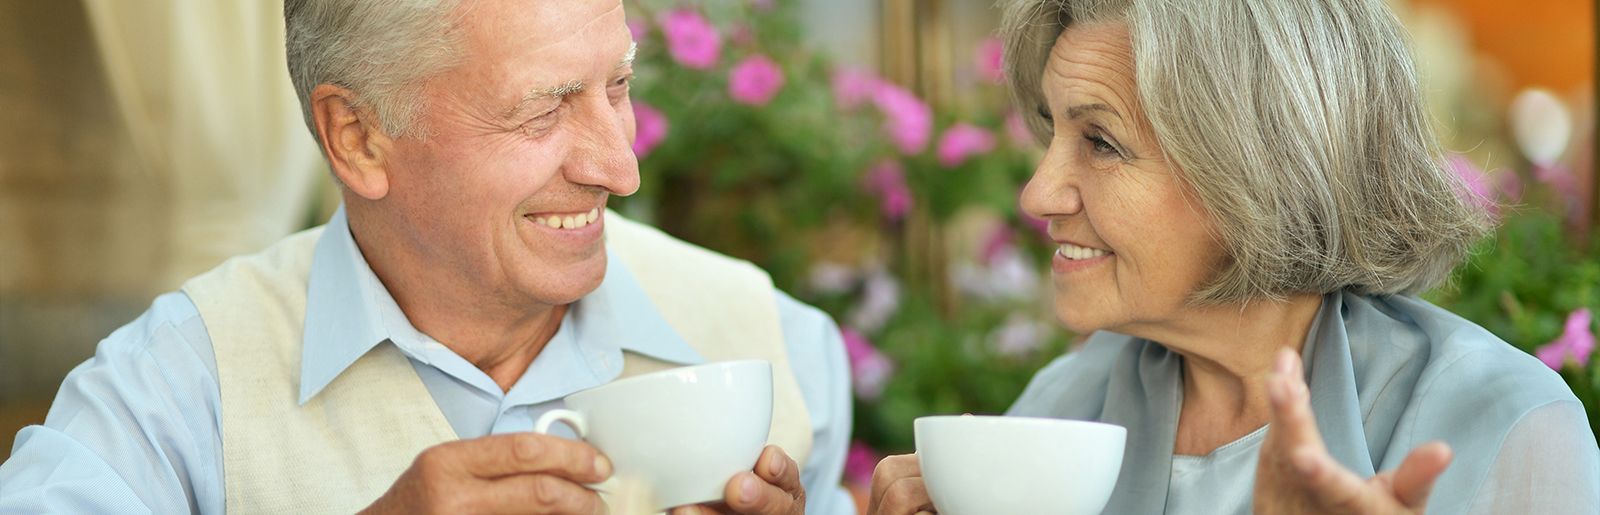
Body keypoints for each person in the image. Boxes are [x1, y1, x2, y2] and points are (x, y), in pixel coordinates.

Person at [0, 1, 854, 514]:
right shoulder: (179, 386)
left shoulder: (779, 343)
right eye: (546, 109)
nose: (620, 167)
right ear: (359, 137)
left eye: (619, 87)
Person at [867, 0, 1599, 513]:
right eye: (1052, 132)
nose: (1038, 192)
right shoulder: (1068, 402)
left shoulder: (1506, 427)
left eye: (1100, 143)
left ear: (1256, 170)